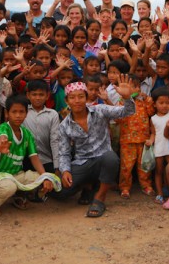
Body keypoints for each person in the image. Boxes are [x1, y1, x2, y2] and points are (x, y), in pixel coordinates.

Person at [54, 77, 136, 217]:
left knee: (111, 158)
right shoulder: (64, 126)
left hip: (102, 159)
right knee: (61, 192)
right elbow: (64, 153)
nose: (77, 101)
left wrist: (127, 98)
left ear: (86, 98)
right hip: (82, 162)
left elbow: (126, 112)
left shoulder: (100, 110)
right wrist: (65, 170)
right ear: (67, 101)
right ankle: (88, 186)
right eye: (72, 98)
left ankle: (100, 198)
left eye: (81, 96)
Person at [0, 94, 59, 216]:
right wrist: (2, 140)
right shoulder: (3, 128)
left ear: (26, 113)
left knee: (42, 177)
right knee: (9, 187)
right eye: (14, 112)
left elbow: (34, 157)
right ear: (7, 113)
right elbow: (3, 135)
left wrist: (44, 177)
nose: (18, 115)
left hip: (16, 174)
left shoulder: (27, 134)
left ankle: (17, 196)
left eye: (21, 112)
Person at [117, 75, 155, 198]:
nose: (132, 90)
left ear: (139, 88)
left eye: (133, 87)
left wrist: (147, 99)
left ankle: (146, 185)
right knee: (126, 166)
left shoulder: (144, 101)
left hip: (144, 139)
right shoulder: (121, 102)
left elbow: (152, 113)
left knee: (144, 164)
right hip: (127, 140)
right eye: (128, 87)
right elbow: (117, 119)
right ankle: (125, 187)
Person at [22, 79, 61, 174]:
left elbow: (54, 140)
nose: (37, 98)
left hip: (46, 160)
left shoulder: (52, 114)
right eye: (34, 94)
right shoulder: (22, 112)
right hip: (25, 160)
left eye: (41, 95)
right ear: (28, 95)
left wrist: (57, 166)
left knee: (52, 185)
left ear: (47, 96)